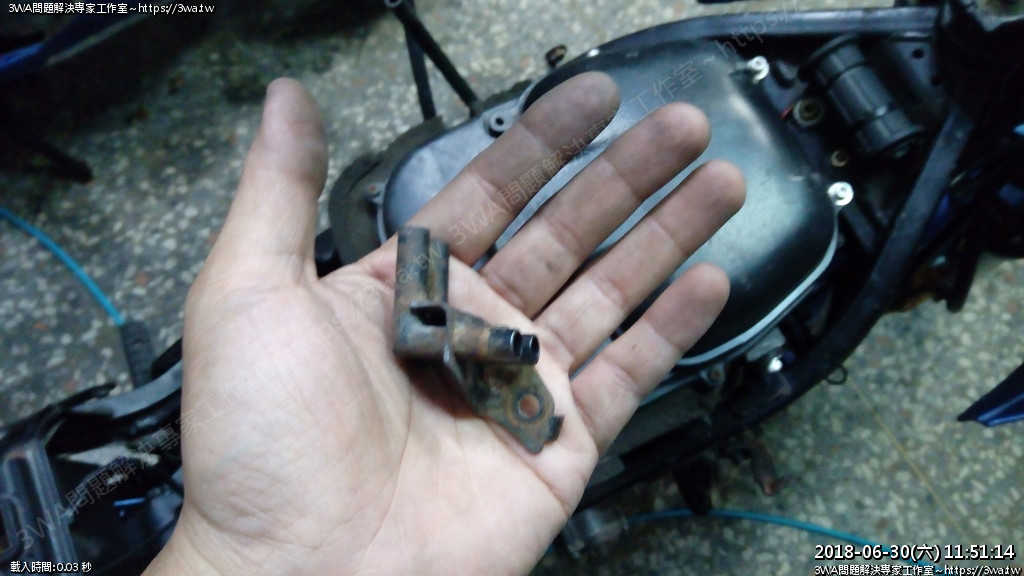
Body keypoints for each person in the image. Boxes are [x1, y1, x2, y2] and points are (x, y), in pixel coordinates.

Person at [142, 72, 744, 575]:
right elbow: (425, 326)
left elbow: (435, 324)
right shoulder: (426, 322)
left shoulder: (449, 328)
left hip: (449, 342)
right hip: (436, 340)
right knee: (429, 318)